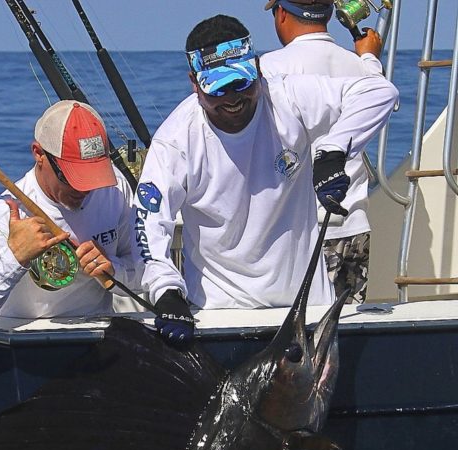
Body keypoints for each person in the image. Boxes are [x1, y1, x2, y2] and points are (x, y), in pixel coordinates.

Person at [134, 14, 398, 344]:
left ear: (258, 69)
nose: (232, 99)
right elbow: (148, 222)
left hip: (305, 313)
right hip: (219, 316)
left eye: (241, 83)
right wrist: (166, 292)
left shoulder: (288, 97)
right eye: (217, 88)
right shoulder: (175, 140)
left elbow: (379, 92)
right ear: (194, 82)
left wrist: (332, 151)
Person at [0, 100, 141, 327]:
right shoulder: (5, 214)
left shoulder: (115, 190)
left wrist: (113, 268)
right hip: (26, 343)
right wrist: (15, 256)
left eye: (93, 175)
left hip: (99, 339)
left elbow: (146, 272)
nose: (83, 189)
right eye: (71, 177)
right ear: (39, 154)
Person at [261, 0, 384, 304]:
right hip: (353, 227)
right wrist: (370, 58)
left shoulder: (268, 67)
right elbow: (382, 97)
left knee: (295, 339)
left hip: (299, 235)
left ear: (281, 14)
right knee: (343, 338)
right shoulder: (361, 67)